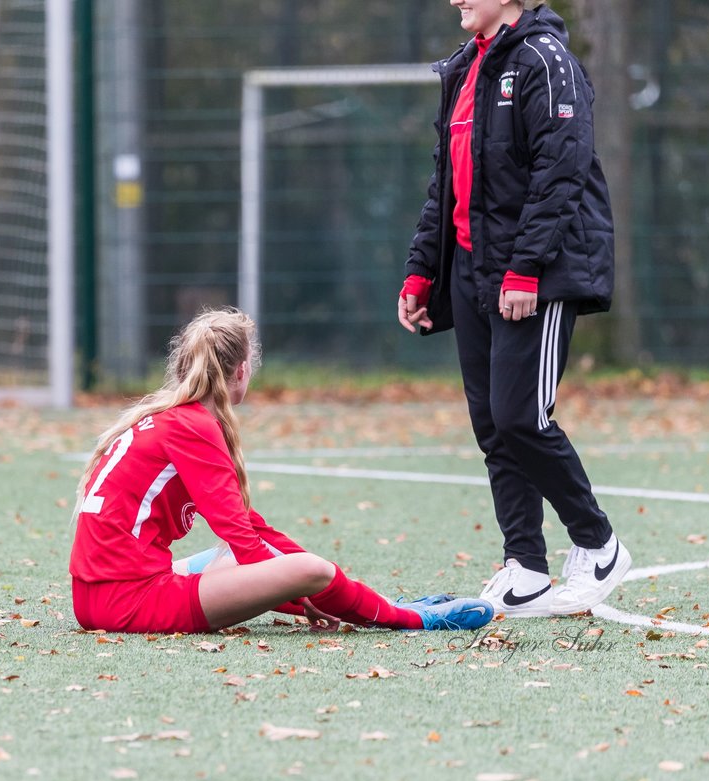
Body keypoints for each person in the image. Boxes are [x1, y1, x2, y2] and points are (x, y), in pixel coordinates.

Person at [397, 0, 630, 617]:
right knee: (493, 425)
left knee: (522, 415)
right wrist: (422, 270)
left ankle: (599, 543)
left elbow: (562, 171)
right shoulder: (463, 68)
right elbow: (443, 182)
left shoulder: (546, 59)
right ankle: (525, 564)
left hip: (537, 273)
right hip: (473, 271)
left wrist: (526, 267)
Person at [69, 307, 494, 635]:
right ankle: (408, 618)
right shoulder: (194, 426)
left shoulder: (169, 417)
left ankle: (373, 603)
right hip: (130, 601)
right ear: (241, 372)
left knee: (276, 565)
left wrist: (306, 590)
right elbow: (246, 540)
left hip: (95, 599)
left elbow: (248, 528)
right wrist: (301, 587)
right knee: (311, 570)